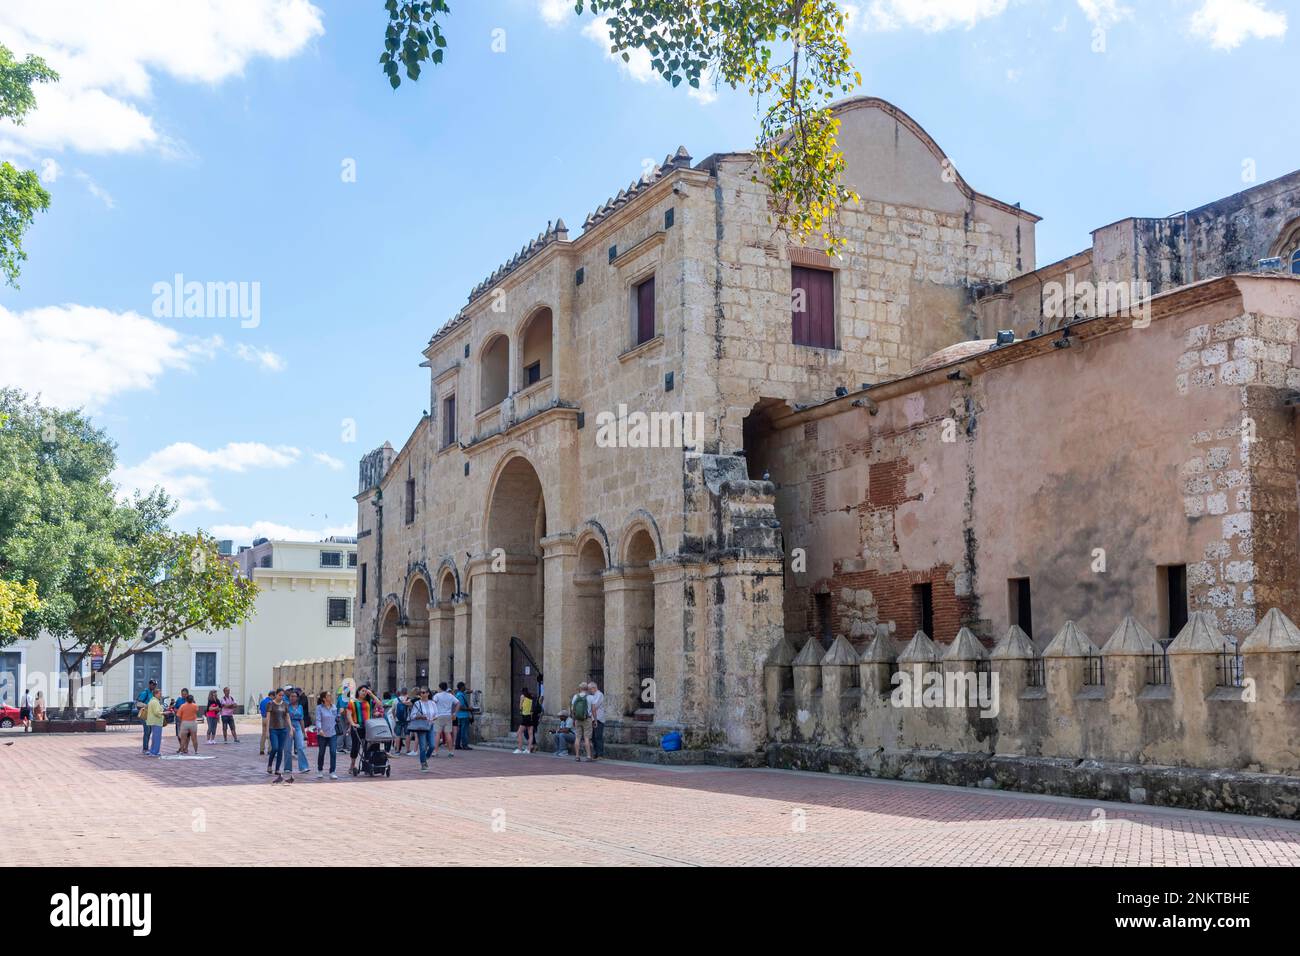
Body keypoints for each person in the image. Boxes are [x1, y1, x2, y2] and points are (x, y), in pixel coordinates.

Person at [266, 688, 293, 783]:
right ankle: (269, 765)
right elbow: (268, 718)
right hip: (273, 729)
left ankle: (277, 769)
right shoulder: (270, 704)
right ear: (276, 695)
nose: (281, 697)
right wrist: (267, 731)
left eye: (282, 695)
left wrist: (291, 728)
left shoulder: (285, 704)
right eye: (279, 695)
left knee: (281, 749)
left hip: (283, 729)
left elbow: (287, 716)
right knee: (275, 748)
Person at [408, 687, 435, 771]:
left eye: (424, 692)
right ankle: (423, 763)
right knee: (423, 746)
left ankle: (426, 757)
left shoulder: (432, 703)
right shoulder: (417, 703)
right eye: (421, 693)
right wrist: (420, 716)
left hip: (430, 725)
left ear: (428, 693)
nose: (422, 694)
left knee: (432, 746)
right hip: (421, 726)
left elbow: (436, 714)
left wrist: (432, 719)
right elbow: (412, 716)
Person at [314, 691, 339, 779]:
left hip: (332, 733)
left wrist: (340, 714)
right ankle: (320, 770)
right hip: (322, 734)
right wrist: (320, 729)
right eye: (329, 695)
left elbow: (336, 718)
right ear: (324, 698)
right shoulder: (319, 708)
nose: (331, 696)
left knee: (333, 752)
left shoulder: (334, 707)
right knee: (321, 752)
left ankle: (332, 771)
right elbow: (318, 720)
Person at [431, 682, 459, 759]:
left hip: (439, 715)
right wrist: (455, 713)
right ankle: (450, 751)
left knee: (437, 733)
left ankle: (435, 751)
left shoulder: (437, 695)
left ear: (440, 688)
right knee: (448, 733)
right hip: (448, 716)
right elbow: (458, 703)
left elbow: (433, 704)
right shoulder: (450, 696)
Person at [287, 690, 310, 774]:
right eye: (291, 696)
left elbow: (301, 720)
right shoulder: (287, 706)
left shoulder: (300, 707)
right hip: (288, 726)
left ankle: (304, 767)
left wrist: (304, 732)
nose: (292, 698)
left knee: (300, 746)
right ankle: (287, 768)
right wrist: (289, 726)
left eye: (294, 696)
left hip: (298, 726)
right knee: (288, 748)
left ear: (297, 698)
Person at [569, 684, 593, 762]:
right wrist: (595, 720)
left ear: (580, 688)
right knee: (587, 738)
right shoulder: (590, 697)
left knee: (577, 737)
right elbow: (593, 710)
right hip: (587, 719)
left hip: (577, 719)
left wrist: (573, 719)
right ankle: (588, 756)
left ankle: (577, 756)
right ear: (587, 689)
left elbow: (572, 709)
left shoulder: (575, 697)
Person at [587, 681, 606, 761]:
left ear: (594, 688)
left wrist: (589, 710)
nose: (589, 691)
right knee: (594, 737)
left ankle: (600, 754)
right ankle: (596, 753)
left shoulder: (599, 694)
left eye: (590, 689)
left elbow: (595, 705)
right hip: (593, 719)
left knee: (598, 737)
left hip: (598, 719)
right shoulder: (593, 695)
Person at [514, 688, 537, 754]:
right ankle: (528, 749)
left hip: (525, 716)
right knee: (530, 734)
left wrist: (521, 707)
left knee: (519, 732)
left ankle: (519, 748)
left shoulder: (522, 696)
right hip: (531, 717)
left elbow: (520, 707)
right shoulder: (532, 697)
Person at [145, 688, 166, 757]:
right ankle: (155, 752)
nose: (161, 695)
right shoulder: (155, 702)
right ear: (156, 694)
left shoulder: (152, 701)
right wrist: (164, 713)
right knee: (157, 738)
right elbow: (157, 712)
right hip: (156, 721)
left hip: (153, 721)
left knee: (154, 737)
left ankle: (152, 751)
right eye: (160, 694)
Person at [137, 679, 157, 752]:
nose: (154, 686)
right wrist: (147, 705)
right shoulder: (145, 693)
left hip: (150, 715)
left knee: (149, 731)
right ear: (149, 684)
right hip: (145, 714)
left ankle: (146, 747)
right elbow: (138, 703)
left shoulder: (153, 693)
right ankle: (145, 748)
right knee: (147, 731)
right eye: (152, 684)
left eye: (155, 685)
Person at [454, 682, 473, 750]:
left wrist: (468, 689)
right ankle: (465, 745)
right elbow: (460, 707)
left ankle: (457, 744)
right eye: (464, 686)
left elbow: (469, 691)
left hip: (459, 716)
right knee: (464, 731)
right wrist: (469, 709)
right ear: (462, 687)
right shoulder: (460, 696)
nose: (465, 687)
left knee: (459, 731)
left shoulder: (459, 694)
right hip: (463, 715)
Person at [392, 688, 410, 755]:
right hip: (406, 719)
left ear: (400, 693)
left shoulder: (395, 700)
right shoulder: (408, 699)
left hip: (398, 719)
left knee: (398, 735)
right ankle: (408, 750)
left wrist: (394, 717)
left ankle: (397, 751)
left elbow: (393, 710)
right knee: (407, 734)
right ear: (406, 692)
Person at [258, 689, 273, 755]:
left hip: (263, 718)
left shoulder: (262, 701)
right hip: (269, 719)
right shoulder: (271, 702)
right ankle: (270, 750)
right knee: (270, 734)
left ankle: (261, 749)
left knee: (263, 734)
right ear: (272, 695)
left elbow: (260, 709)